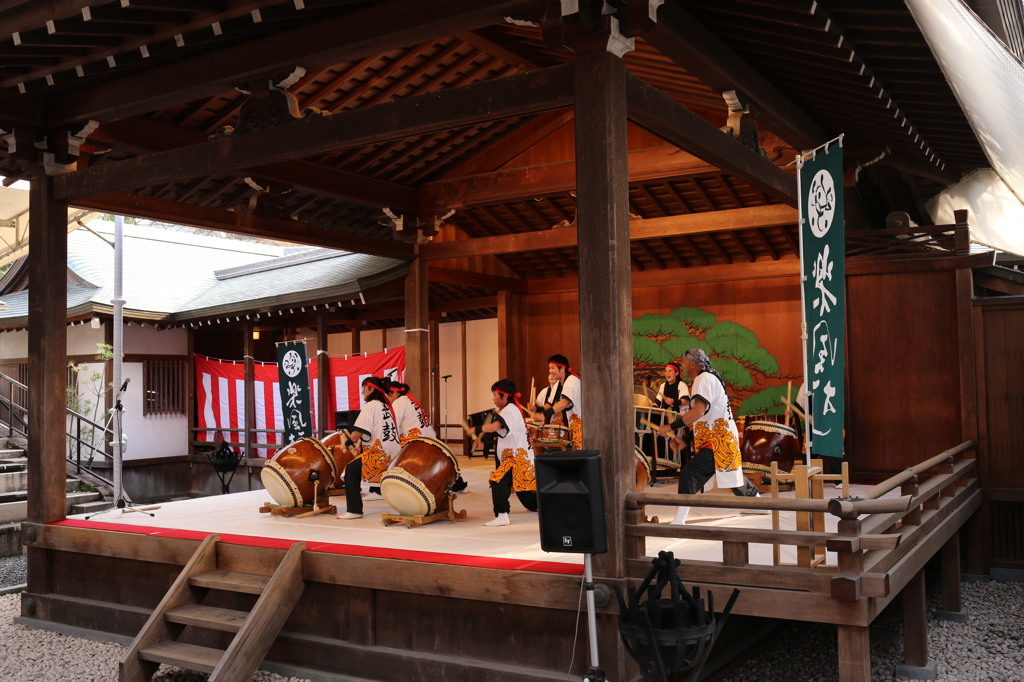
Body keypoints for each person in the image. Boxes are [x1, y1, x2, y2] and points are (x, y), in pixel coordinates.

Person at [658, 348, 759, 524]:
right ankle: (760, 504)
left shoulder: (703, 379)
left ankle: (680, 519)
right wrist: (686, 439)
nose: (682, 365)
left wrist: (670, 426)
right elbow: (704, 417)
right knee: (731, 473)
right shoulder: (709, 377)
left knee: (690, 473)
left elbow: (698, 411)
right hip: (721, 437)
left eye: (683, 362)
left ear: (692, 363)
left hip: (718, 439)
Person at [473, 378, 537, 526]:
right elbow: (501, 432)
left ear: (505, 396)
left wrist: (476, 429)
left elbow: (495, 426)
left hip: (516, 458)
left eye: (495, 394)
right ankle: (542, 505)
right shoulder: (511, 410)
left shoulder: (510, 410)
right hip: (519, 457)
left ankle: (502, 515)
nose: (493, 398)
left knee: (498, 480)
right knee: (528, 498)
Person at [338, 376, 401, 520]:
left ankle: (354, 510)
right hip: (395, 453)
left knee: (350, 470)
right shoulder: (386, 406)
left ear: (371, 389)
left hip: (380, 453)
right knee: (357, 468)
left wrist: (345, 443)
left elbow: (357, 432)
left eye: (364, 388)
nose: (362, 392)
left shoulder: (371, 405)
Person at [533, 353, 583, 450]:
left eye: (553, 368)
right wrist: (537, 410)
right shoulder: (558, 383)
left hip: (577, 425)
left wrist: (544, 415)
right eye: (549, 368)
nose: (550, 371)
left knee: (576, 455)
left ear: (562, 369)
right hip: (567, 426)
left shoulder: (572, 381)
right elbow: (549, 404)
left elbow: (565, 402)